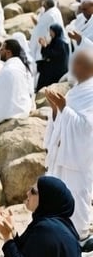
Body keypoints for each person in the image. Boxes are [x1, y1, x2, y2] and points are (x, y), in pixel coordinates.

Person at [46, 48, 93, 244]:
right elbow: (61, 121)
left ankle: (80, 235)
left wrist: (64, 108)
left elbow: (87, 128)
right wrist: (55, 110)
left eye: (80, 64)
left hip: (79, 157)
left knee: (77, 195)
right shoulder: (74, 91)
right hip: (62, 154)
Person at [0, 39, 34, 129]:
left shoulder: (10, 69)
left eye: (2, 49)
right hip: (24, 107)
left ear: (8, 53)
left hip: (15, 111)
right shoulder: (18, 65)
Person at [37, 23, 70, 91]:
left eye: (51, 31)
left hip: (58, 70)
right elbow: (46, 54)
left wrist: (45, 46)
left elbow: (53, 55)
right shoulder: (55, 41)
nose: (50, 33)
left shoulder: (60, 42)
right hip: (54, 67)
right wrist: (44, 46)